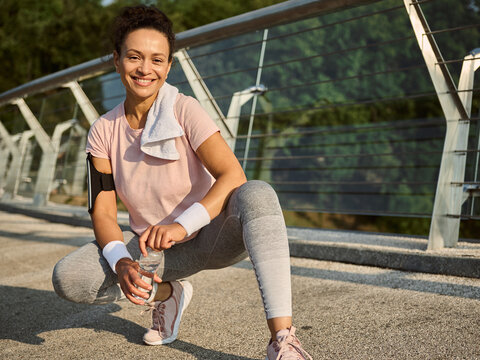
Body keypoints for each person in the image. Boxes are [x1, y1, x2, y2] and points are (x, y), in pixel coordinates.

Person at [52, 5, 312, 359]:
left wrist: (180, 225)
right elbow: (103, 213)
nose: (145, 69)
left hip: (211, 236)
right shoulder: (102, 131)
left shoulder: (184, 109)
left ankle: (283, 341)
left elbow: (232, 174)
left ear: (169, 66)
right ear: (116, 61)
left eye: (157, 60)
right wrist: (121, 263)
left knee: (257, 192)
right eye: (134, 57)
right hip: (154, 254)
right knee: (69, 277)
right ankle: (169, 295)